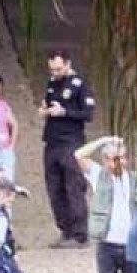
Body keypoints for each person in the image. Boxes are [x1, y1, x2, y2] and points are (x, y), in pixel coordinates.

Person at [74, 133, 137, 273]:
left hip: (131, 244)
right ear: (105, 161)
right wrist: (103, 141)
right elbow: (78, 154)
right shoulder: (99, 176)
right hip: (107, 244)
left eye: (121, 158)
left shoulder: (134, 179)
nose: (118, 163)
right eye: (113, 159)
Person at [39, 51, 97, 248]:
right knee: (54, 188)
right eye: (52, 69)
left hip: (71, 141)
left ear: (68, 64)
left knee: (74, 186)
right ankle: (65, 230)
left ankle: (80, 234)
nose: (55, 72)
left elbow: (88, 114)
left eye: (59, 68)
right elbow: (48, 104)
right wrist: (45, 111)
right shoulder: (52, 83)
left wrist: (65, 112)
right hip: (52, 141)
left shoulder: (80, 85)